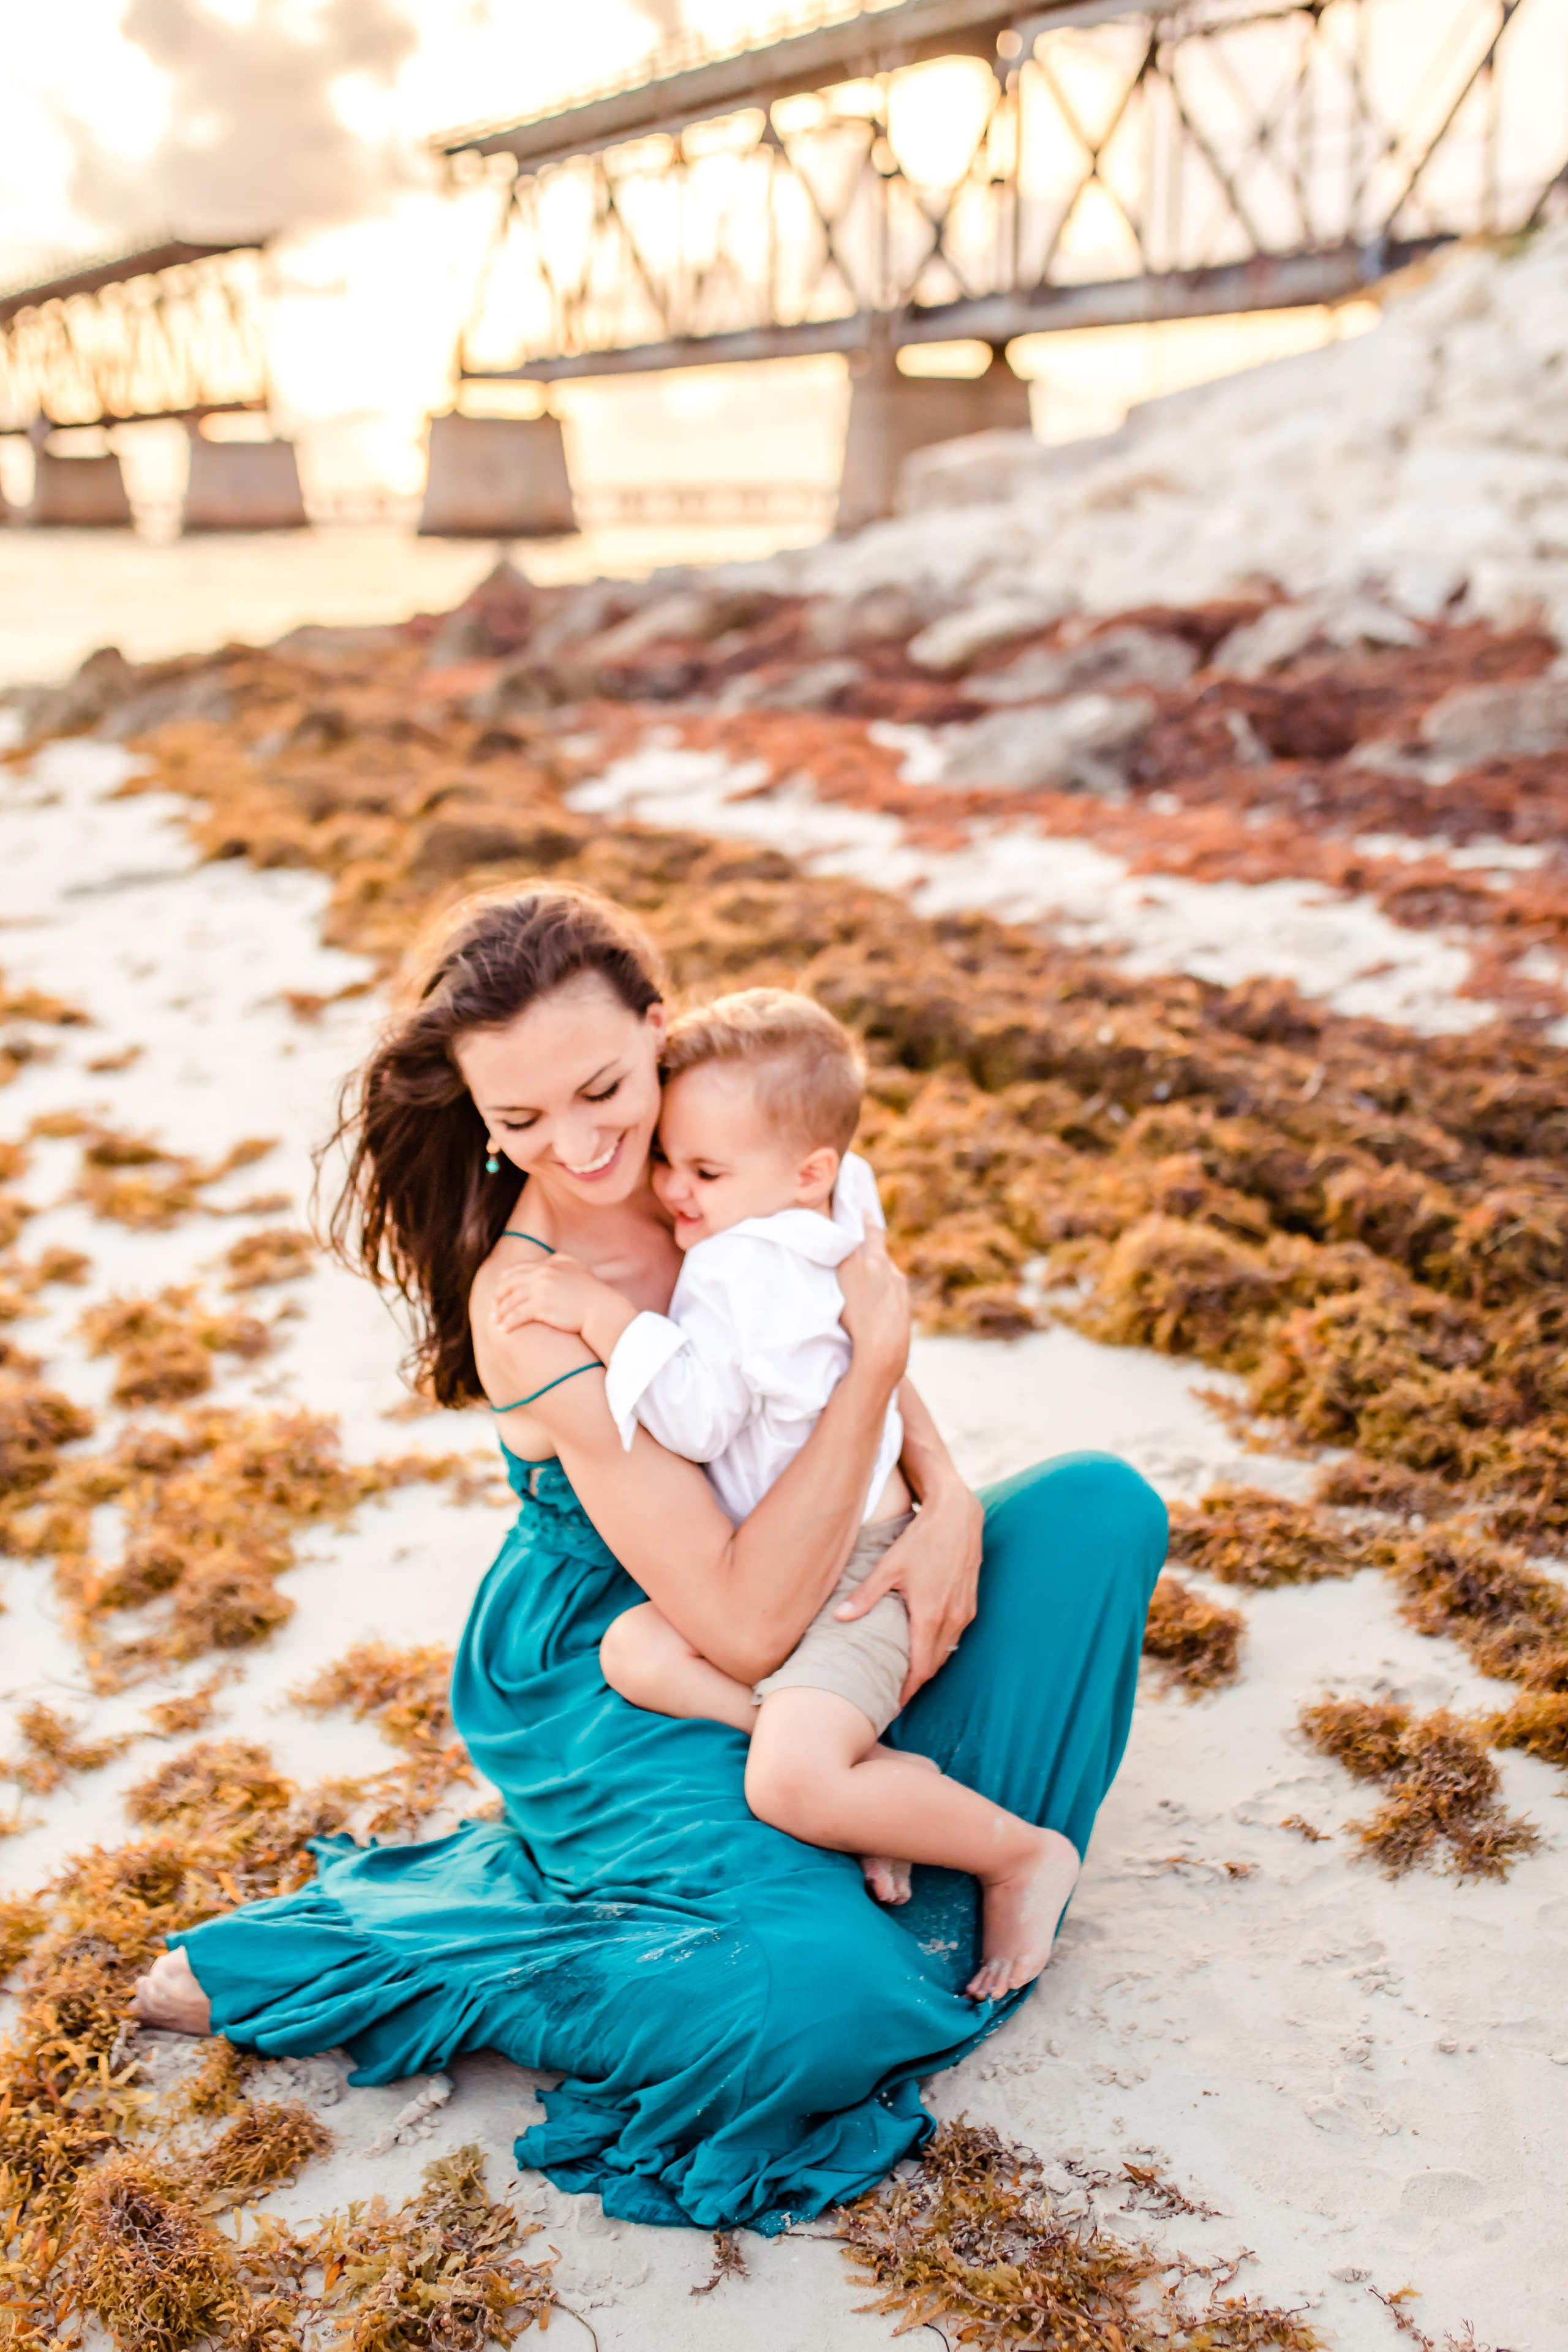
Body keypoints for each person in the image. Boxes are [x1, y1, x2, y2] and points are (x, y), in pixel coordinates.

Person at [133, 880, 1166, 2234]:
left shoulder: (738, 1129)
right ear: (481, 1121)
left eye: (604, 1089)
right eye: (520, 1121)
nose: (577, 1144)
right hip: (625, 1647)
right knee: (818, 2002)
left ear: (658, 1031)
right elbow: (744, 1608)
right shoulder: (532, 1306)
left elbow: (830, 1339)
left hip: (793, 1555)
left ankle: (867, 1794)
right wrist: (876, 1392)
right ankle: (421, 1949)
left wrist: (948, 1497)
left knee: (1097, 1507)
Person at [491, 987, 1080, 2001]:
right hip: (775, 1565)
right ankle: (840, 1752)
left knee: (787, 1786)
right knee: (635, 1648)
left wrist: (598, 1315)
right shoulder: (828, 1196)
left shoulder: (738, 1266)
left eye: (704, 1170)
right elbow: (866, 1317)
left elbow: (698, 1420)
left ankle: (1017, 1854)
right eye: (673, 1160)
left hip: (846, 1570)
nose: (676, 1188)